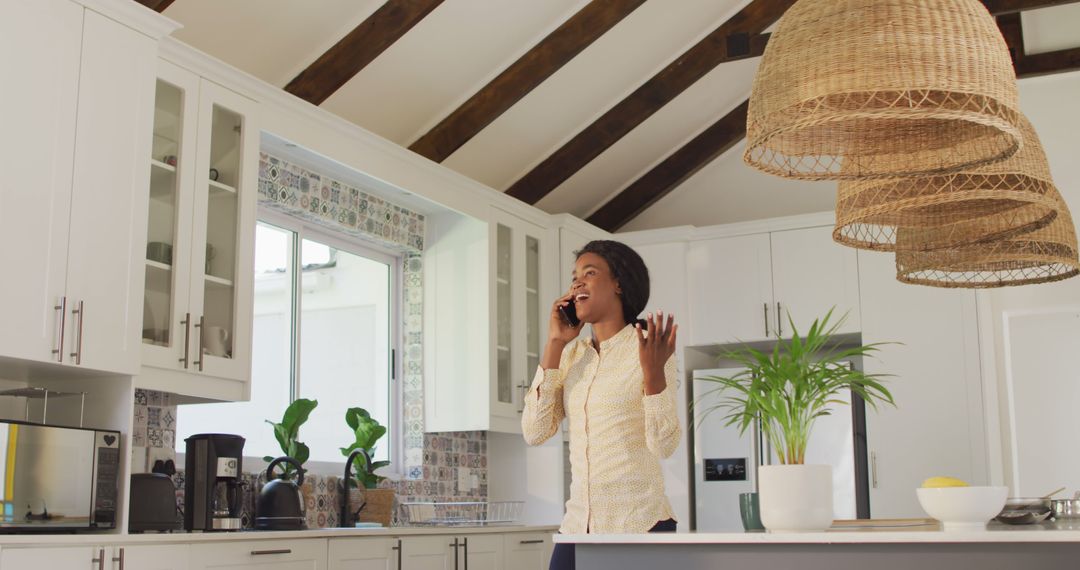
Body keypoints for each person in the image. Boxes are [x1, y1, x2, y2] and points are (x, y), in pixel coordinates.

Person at [522, 240, 681, 570]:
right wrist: (554, 343)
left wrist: (653, 378)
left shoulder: (649, 348)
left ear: (618, 283)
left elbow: (664, 445)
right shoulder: (571, 355)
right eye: (574, 276)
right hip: (578, 526)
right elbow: (535, 432)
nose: (577, 282)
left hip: (639, 525)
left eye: (589, 273)